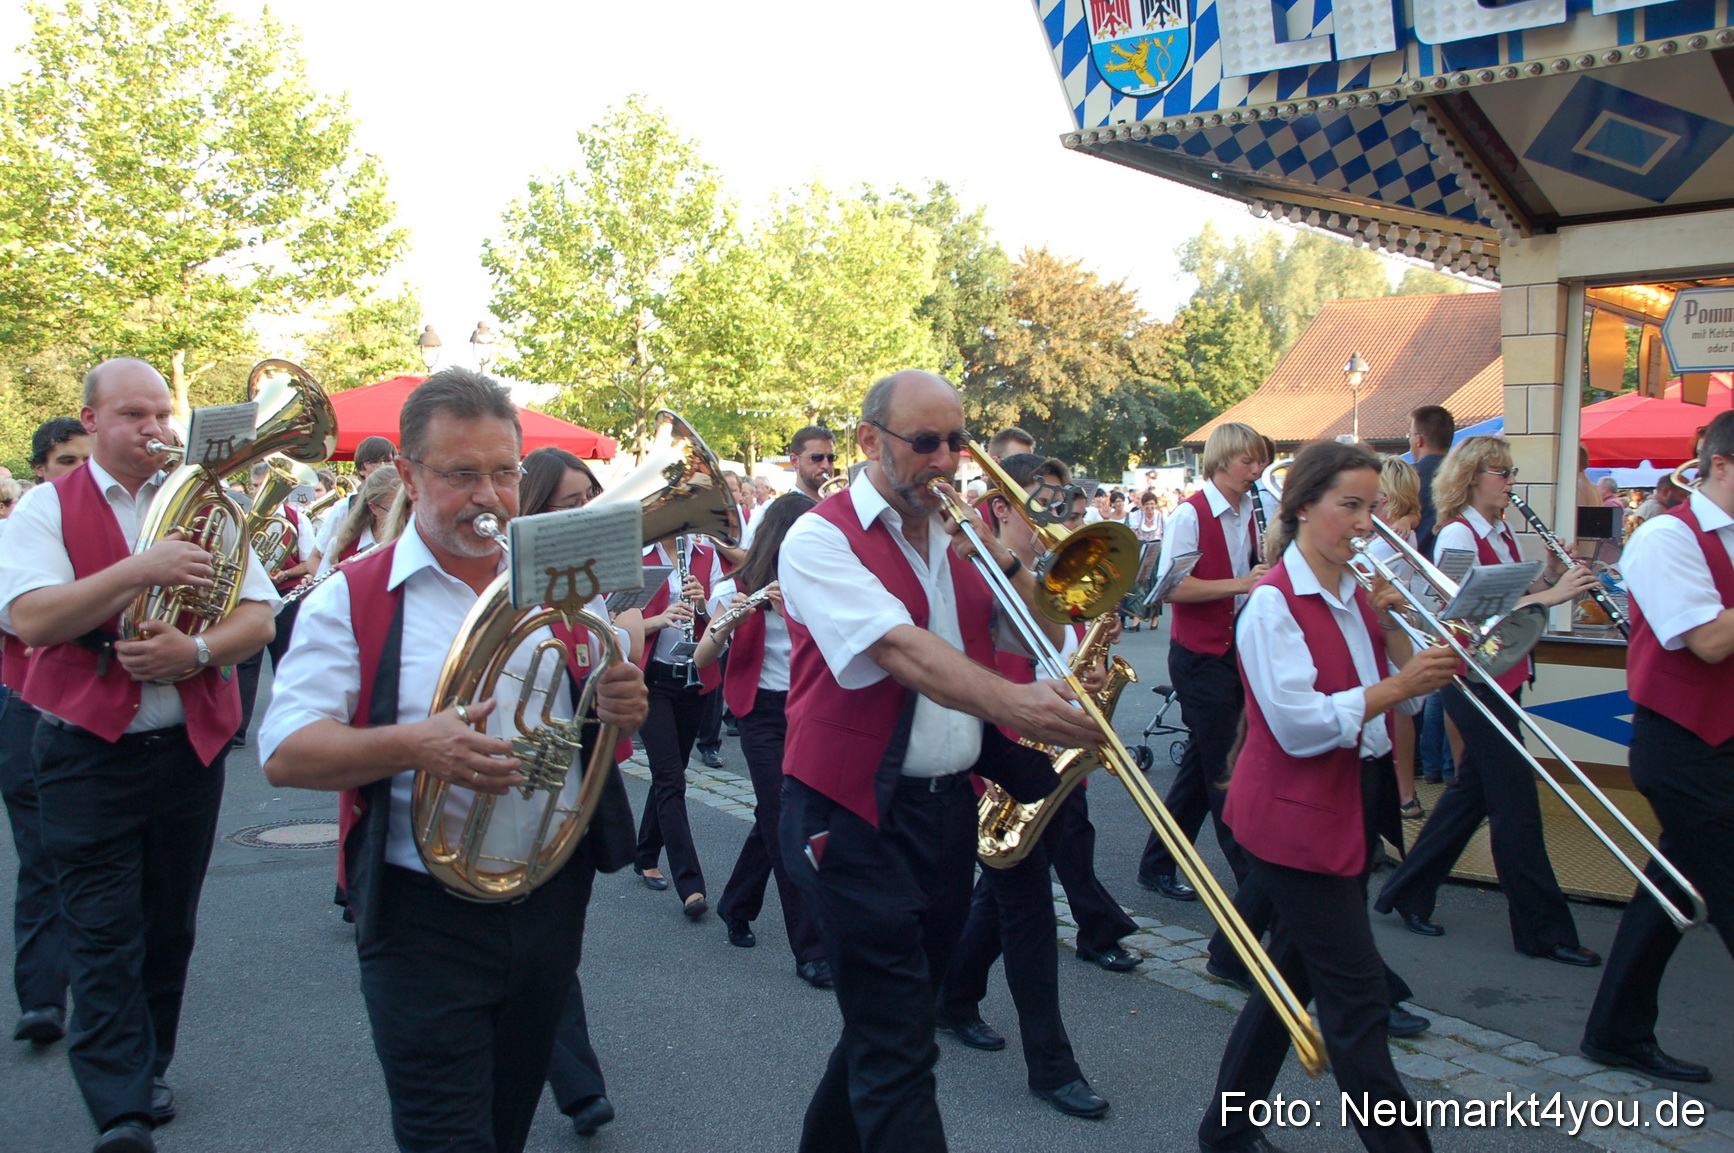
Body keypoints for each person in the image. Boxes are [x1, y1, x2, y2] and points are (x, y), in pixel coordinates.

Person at [258, 366, 649, 1153]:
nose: (489, 496)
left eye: (504, 472)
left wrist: (617, 702)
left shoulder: (562, 583)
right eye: (460, 474)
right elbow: (284, 751)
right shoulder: (350, 596)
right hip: (421, 919)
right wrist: (414, 743)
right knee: (446, 1137)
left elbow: (592, 709)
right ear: (408, 476)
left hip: (548, 898)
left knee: (505, 1125)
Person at [776, 369, 1095, 1153]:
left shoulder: (959, 540)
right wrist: (1016, 703)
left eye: (958, 441)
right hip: (853, 815)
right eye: (925, 442)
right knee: (899, 1052)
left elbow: (1047, 633)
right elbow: (899, 649)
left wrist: (1004, 559)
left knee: (896, 1022)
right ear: (869, 441)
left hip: (948, 808)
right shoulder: (818, 537)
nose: (947, 460)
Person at [0, 358, 279, 1153]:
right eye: (133, 415)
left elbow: (258, 617)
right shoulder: (46, 507)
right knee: (100, 928)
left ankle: (147, 1064)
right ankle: (119, 1104)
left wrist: (197, 649)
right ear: (91, 420)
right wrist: (141, 569)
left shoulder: (207, 501)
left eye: (162, 414)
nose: (154, 429)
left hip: (185, 748)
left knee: (167, 924)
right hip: (85, 751)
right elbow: (31, 617)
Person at [1197, 439, 1457, 1153]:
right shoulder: (1272, 605)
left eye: (1372, 508)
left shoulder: (1353, 594)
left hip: (1350, 799)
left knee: (1292, 973)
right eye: (1351, 506)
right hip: (1296, 814)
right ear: (1304, 506)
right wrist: (1398, 685)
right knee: (1357, 1004)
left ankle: (1225, 1131)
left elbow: (1403, 703)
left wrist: (1397, 630)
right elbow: (1301, 725)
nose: (1367, 523)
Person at [1374, 436, 1603, 964]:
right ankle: (1544, 931)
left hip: (1503, 674)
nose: (1511, 482)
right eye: (1503, 473)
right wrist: (1554, 594)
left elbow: (1513, 599)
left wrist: (1551, 573)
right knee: (1517, 808)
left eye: (1511, 472)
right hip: (1473, 681)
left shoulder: (1500, 530)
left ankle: (1406, 890)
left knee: (1469, 797)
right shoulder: (1458, 533)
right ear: (1473, 476)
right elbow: (1463, 616)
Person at [934, 452, 1113, 1121]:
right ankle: (1052, 1067)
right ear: (1003, 506)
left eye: (1063, 504)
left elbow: (1058, 652)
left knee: (1003, 891)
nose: (1058, 517)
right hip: (995, 755)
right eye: (1046, 504)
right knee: (1028, 906)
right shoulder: (972, 567)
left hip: (1045, 752)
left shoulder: (1047, 576)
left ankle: (954, 996)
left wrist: (1088, 675)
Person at [1580, 409, 1734, 1084]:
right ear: (1720, 465)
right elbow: (1708, 640)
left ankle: (1615, 1029)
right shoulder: (1667, 535)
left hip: (1720, 741)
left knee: (1670, 890)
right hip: (1685, 745)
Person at [517, 444, 638, 1140]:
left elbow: (608, 675)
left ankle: (564, 1070)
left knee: (555, 946)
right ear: (537, 511)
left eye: (592, 498)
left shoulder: (586, 588)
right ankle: (578, 1082)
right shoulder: (509, 585)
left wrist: (623, 639)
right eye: (573, 502)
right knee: (533, 949)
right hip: (511, 783)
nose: (589, 512)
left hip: (572, 785)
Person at [695, 492, 832, 987]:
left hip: (810, 713)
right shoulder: (736, 586)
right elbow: (702, 657)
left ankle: (736, 903)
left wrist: (799, 610)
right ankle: (811, 950)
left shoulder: (822, 584)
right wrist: (736, 615)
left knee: (775, 816)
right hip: (761, 716)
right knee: (786, 825)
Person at [1137, 421, 1268, 901]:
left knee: (1201, 766)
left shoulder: (1249, 510)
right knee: (1223, 769)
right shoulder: (1190, 515)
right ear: (1222, 461)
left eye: (1260, 461)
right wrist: (1242, 584)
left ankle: (1157, 864)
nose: (1256, 471)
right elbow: (1171, 589)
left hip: (1234, 652)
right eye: (1248, 461)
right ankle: (1255, 891)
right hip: (1199, 657)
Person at [1, 416, 92, 1049]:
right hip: (28, 703)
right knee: (40, 855)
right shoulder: (23, 528)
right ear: (40, 470)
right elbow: (25, 619)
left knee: (101, 860)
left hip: (95, 705)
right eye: (65, 462)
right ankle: (41, 997)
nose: (78, 474)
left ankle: (101, 990)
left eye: (87, 461)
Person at [632, 532, 722, 915]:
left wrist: (701, 605)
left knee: (671, 771)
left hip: (693, 677)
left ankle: (645, 854)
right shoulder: (638, 556)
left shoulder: (706, 554)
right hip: (651, 680)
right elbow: (616, 621)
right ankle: (691, 885)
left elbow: (721, 622)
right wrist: (659, 619)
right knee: (670, 778)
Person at [1371, 456, 1426, 822]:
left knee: (1391, 717)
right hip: (1399, 629)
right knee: (1402, 717)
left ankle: (1398, 794)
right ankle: (1406, 793)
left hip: (1385, 630)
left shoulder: (1383, 541)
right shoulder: (1405, 531)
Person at [306, 435, 396, 572]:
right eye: (375, 461)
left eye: (388, 460)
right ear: (361, 468)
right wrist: (335, 578)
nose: (383, 466)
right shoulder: (344, 507)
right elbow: (314, 558)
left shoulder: (412, 503)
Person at [314, 465, 401, 577]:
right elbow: (321, 587)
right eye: (394, 510)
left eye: (409, 506)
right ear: (373, 508)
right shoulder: (340, 545)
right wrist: (336, 579)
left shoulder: (415, 542)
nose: (405, 514)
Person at [1409, 405, 1454, 558]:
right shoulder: (1466, 476)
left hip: (1417, 563)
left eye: (1410, 435)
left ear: (1419, 440)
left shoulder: (1408, 476)